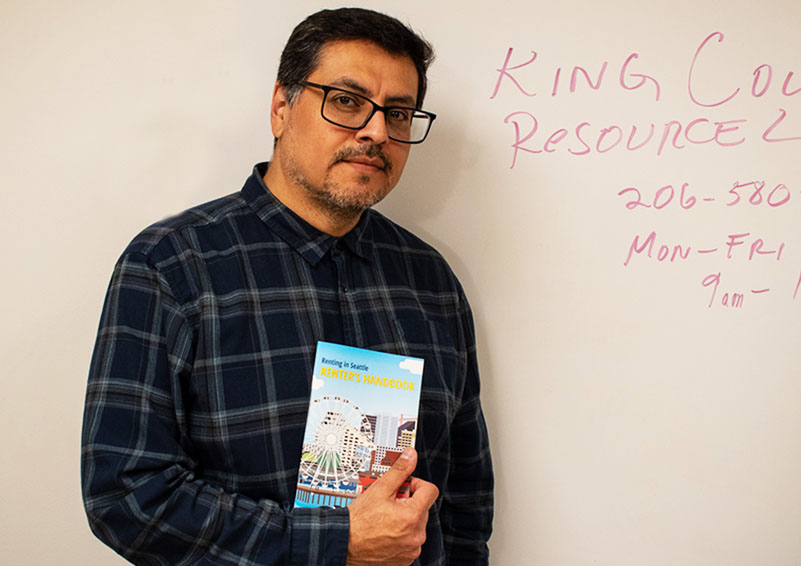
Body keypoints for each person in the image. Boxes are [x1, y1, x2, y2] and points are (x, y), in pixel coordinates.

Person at [82, 7, 493, 565]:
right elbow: (126, 494)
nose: (376, 132)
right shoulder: (172, 266)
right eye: (346, 101)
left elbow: (464, 496)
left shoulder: (430, 280)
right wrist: (337, 543)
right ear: (282, 107)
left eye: (398, 113)